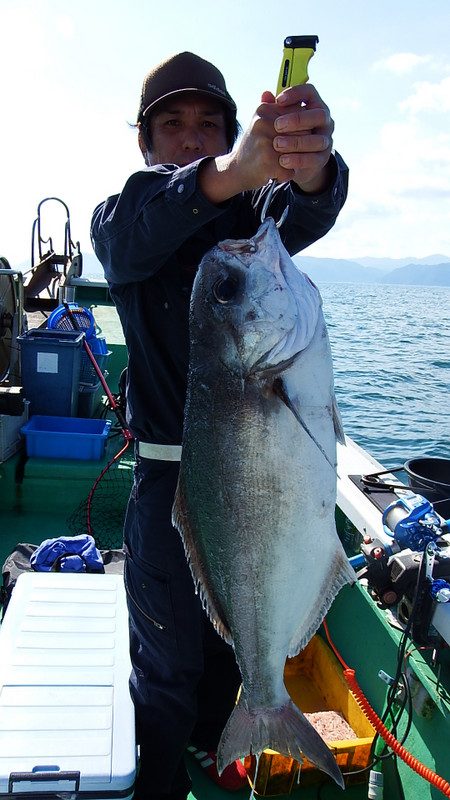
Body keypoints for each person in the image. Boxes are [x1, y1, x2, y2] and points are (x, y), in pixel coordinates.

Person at [91, 51, 349, 800]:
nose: (190, 137)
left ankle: (221, 739)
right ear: (146, 144)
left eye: (209, 124)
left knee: (223, 648)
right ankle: (160, 779)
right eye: (172, 125)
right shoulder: (127, 216)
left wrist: (308, 162)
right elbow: (134, 231)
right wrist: (232, 173)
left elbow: (309, 208)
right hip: (168, 483)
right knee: (169, 668)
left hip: (246, 478)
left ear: (237, 134)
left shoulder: (252, 220)